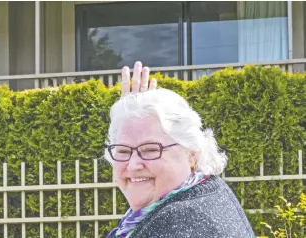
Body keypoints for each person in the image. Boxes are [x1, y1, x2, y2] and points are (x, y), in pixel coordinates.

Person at [105, 62, 254, 237]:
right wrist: (130, 114)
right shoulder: (200, 194)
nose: (132, 165)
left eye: (150, 150)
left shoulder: (181, 222)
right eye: (123, 151)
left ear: (191, 154)